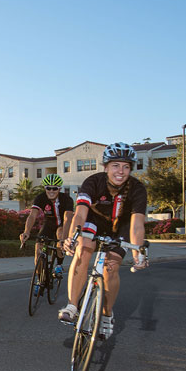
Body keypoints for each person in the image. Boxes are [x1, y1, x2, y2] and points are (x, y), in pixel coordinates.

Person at [58, 142, 148, 340]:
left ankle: (107, 313)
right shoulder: (93, 182)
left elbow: (137, 225)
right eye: (115, 165)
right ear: (105, 167)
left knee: (111, 267)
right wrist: (72, 237)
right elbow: (80, 215)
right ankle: (72, 305)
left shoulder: (137, 189)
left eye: (126, 167)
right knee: (84, 248)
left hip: (120, 227)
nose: (121, 171)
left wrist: (137, 253)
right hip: (94, 221)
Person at [19, 174, 74, 285]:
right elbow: (32, 216)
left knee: (60, 237)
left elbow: (68, 219)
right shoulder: (41, 198)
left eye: (55, 188)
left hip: (62, 225)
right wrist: (26, 231)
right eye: (48, 188)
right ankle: (40, 279)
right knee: (38, 250)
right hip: (48, 224)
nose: (51, 191)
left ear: (59, 189)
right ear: (45, 188)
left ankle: (59, 265)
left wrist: (64, 239)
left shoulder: (67, 199)